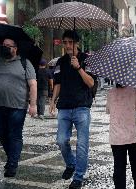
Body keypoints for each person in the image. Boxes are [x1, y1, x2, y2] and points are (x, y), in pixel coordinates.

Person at [0, 38, 37, 177]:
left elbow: (33, 84)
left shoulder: (25, 63)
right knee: (1, 133)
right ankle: (12, 157)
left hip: (18, 106)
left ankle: (12, 164)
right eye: (4, 45)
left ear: (16, 48)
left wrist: (33, 105)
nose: (6, 48)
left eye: (9, 46)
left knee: (14, 135)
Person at [49, 30, 94, 189]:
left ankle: (78, 177)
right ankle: (70, 163)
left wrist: (78, 67)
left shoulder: (87, 60)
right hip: (65, 108)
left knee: (82, 144)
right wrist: (53, 100)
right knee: (61, 141)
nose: (68, 45)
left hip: (82, 107)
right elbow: (58, 83)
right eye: (65, 42)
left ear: (77, 43)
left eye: (71, 42)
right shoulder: (60, 62)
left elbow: (91, 83)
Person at [106, 84, 136, 189]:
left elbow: (109, 111)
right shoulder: (135, 91)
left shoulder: (110, 92)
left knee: (119, 168)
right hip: (133, 136)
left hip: (116, 137)